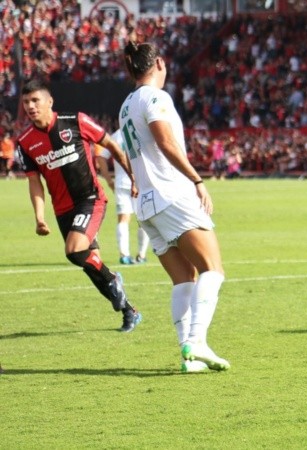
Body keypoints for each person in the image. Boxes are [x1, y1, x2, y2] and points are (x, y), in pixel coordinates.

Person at [120, 41, 230, 373]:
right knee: (213, 269)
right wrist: (197, 180)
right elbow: (166, 143)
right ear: (159, 64)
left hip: (147, 206)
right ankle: (197, 341)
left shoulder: (125, 105)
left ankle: (187, 356)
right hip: (171, 195)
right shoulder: (155, 98)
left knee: (184, 278)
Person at [15, 78, 142, 332]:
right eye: (26, 102)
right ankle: (130, 311)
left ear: (49, 101)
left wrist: (132, 176)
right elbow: (34, 183)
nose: (30, 106)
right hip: (62, 210)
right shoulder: (25, 142)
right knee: (90, 263)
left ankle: (114, 279)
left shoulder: (76, 121)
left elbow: (112, 146)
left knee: (74, 250)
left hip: (90, 200)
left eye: (35, 100)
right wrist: (40, 218)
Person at [96, 129, 152, 265]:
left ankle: (124, 255)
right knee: (144, 220)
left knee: (123, 219)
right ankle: (141, 255)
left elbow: (101, 156)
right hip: (141, 183)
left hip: (121, 182)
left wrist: (109, 179)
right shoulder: (140, 130)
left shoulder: (116, 135)